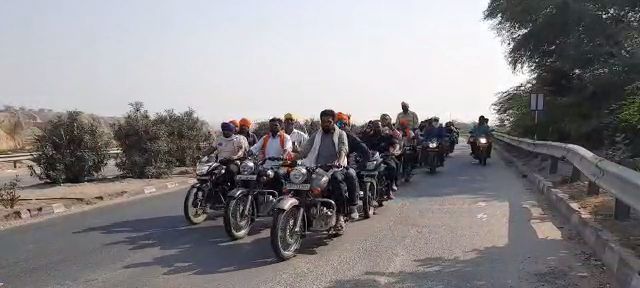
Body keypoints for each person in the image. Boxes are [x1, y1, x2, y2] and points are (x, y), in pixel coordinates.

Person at [298, 109, 350, 231]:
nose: (326, 124)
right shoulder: (316, 135)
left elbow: (343, 149)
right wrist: (291, 158)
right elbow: (305, 150)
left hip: (336, 168)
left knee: (337, 180)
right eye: (323, 122)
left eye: (329, 121)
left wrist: (339, 160)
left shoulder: (341, 134)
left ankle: (340, 216)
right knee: (301, 181)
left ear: (334, 122)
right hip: (318, 168)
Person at [336, 112, 370, 221]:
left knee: (351, 174)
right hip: (327, 166)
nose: (339, 127)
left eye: (342, 124)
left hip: (346, 166)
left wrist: (362, 164)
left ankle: (353, 207)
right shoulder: (325, 136)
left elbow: (365, 151)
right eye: (337, 124)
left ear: (346, 125)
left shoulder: (351, 137)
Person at [249, 118, 293, 193]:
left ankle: (282, 195)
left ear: (281, 126)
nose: (273, 127)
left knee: (279, 177)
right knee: (253, 175)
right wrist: (247, 153)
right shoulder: (265, 138)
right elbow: (255, 148)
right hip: (267, 165)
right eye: (271, 126)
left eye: (275, 125)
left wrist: (283, 156)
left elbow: (287, 149)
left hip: (282, 165)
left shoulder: (285, 137)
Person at [361, 120, 400, 196]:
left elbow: (396, 144)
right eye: (375, 127)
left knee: (393, 166)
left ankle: (391, 185)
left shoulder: (387, 136)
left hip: (384, 157)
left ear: (381, 127)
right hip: (371, 158)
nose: (377, 128)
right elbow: (362, 145)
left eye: (378, 126)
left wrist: (394, 151)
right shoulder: (369, 137)